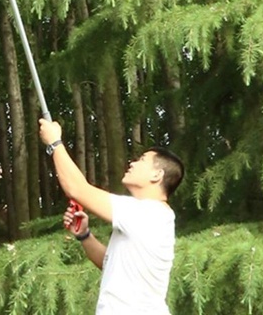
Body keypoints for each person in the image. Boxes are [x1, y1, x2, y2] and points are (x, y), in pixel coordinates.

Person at [38, 117, 184, 315]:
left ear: (156, 175)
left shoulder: (149, 214)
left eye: (141, 160)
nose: (132, 163)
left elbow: (76, 188)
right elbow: (110, 265)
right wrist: (84, 235)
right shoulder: (152, 217)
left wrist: (55, 143)